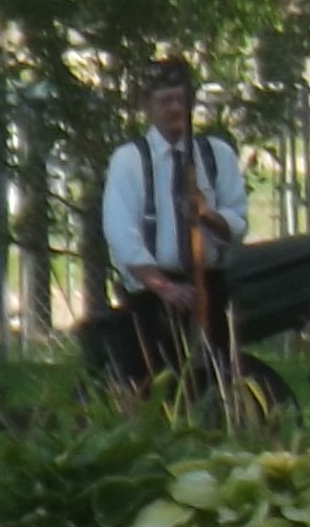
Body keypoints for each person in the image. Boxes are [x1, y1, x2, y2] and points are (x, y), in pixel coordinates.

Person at [97, 56, 245, 389]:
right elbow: (121, 235)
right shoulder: (129, 160)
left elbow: (238, 221)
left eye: (181, 100)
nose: (175, 108)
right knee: (153, 388)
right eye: (165, 101)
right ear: (148, 107)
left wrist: (207, 216)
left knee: (214, 385)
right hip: (151, 297)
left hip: (208, 289)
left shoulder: (216, 155)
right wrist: (164, 287)